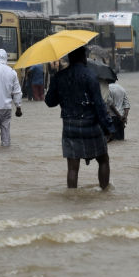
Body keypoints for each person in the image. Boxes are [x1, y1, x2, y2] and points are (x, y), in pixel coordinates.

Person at [45, 46, 115, 189]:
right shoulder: (90, 76)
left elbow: (50, 102)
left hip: (70, 125)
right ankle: (105, 192)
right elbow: (99, 105)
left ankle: (72, 197)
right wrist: (109, 127)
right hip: (90, 124)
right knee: (103, 159)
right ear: (83, 57)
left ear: (70, 58)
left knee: (72, 167)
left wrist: (56, 81)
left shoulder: (59, 77)